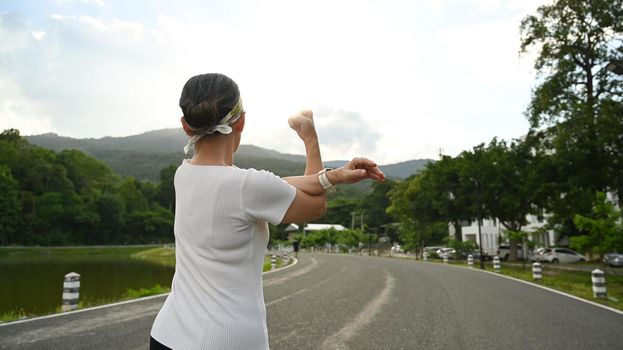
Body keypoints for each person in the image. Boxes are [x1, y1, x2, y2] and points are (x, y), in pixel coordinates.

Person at [149, 73, 385, 350]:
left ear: (186, 126)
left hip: (166, 334)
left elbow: (269, 187)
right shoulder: (247, 186)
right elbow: (315, 204)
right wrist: (310, 137)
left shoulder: (184, 173)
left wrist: (337, 176)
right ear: (242, 121)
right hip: (225, 340)